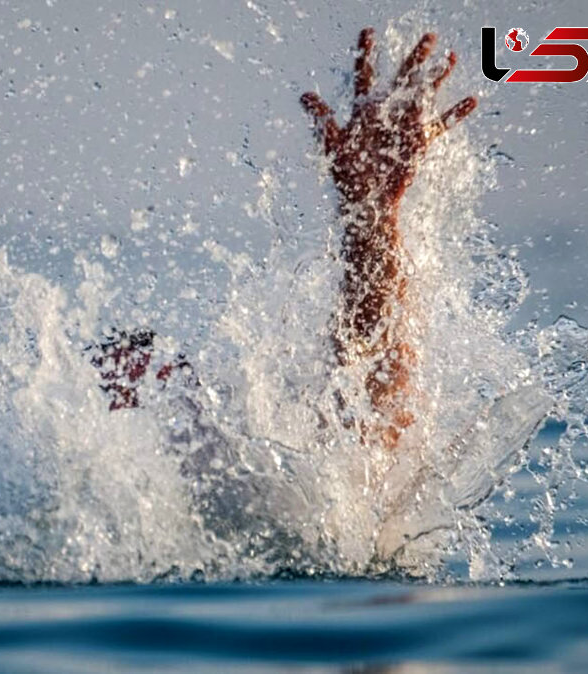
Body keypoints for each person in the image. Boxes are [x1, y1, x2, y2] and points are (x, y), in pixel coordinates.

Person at [93, 29, 476, 452]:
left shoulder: (239, 441)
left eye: (149, 375)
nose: (125, 394)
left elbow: (371, 425)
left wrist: (371, 216)